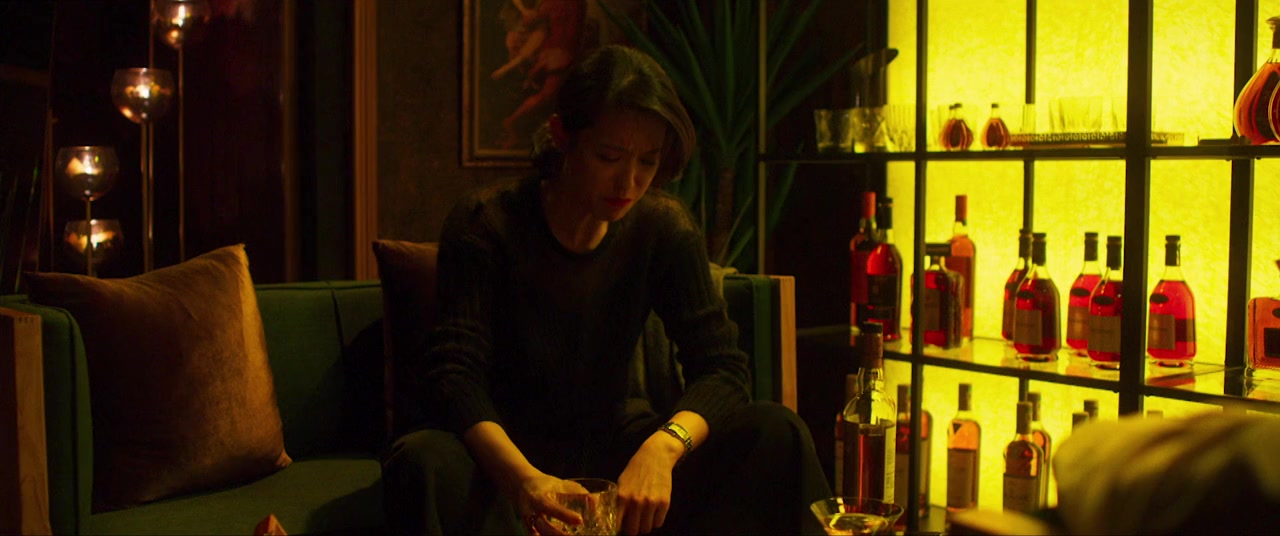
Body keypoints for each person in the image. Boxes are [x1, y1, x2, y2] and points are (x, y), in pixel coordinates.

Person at [382, 44, 830, 536]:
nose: (629, 182)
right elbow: (454, 375)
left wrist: (663, 447)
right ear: (562, 135)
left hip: (621, 454)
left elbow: (723, 368)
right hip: (505, 459)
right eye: (609, 157)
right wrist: (525, 481)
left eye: (648, 162)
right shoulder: (486, 223)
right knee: (421, 460)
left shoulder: (662, 228)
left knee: (777, 432)